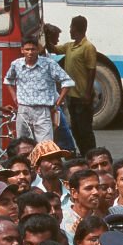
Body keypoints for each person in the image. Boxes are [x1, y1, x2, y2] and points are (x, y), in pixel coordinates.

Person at [4, 37, 73, 145]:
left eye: (33, 49)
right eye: (27, 49)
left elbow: (67, 82)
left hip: (43, 111)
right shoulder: (16, 64)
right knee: (22, 145)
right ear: (22, 50)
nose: (30, 52)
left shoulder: (49, 64)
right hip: (23, 110)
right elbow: (8, 80)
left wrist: (57, 104)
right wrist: (14, 97)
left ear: (38, 50)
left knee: (45, 146)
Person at [47, 16, 97, 155]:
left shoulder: (88, 47)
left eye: (71, 27)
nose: (70, 30)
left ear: (78, 29)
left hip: (82, 96)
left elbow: (92, 70)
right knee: (75, 128)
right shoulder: (70, 46)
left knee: (85, 129)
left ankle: (91, 155)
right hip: (72, 96)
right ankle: (84, 153)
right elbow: (54, 49)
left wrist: (87, 93)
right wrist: (46, 34)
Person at [61, 168, 100, 238]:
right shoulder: (62, 221)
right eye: (89, 188)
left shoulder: (103, 216)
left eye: (97, 187)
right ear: (74, 193)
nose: (96, 192)